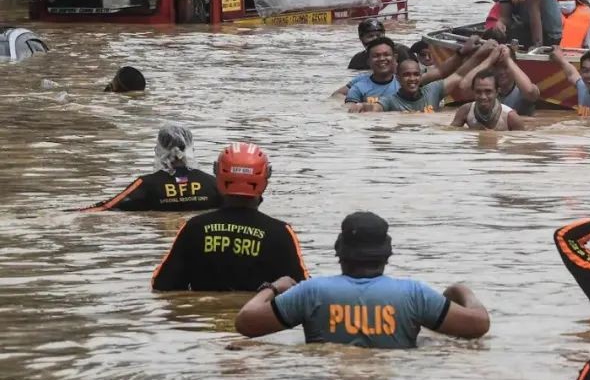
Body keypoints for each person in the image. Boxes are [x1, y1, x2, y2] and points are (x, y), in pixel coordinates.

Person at [234, 211, 490, 347]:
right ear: (387, 254)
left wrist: (273, 288)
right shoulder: (415, 294)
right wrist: (461, 289)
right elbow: (479, 325)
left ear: (339, 250)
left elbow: (245, 323)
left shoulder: (311, 292)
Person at [151, 142, 310, 291]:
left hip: (204, 317)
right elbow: (305, 291)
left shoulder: (194, 228)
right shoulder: (280, 233)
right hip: (256, 319)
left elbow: (161, 285)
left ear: (219, 177)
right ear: (264, 179)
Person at [83, 123, 221, 212]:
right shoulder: (212, 183)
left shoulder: (146, 184)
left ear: (160, 148)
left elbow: (106, 207)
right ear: (190, 147)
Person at [350, 40, 493, 113]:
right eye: (406, 75)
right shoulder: (390, 101)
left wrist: (481, 54)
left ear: (421, 76)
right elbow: (375, 108)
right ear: (398, 79)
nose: (412, 79)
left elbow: (458, 74)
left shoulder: (433, 90)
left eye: (415, 75)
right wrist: (361, 106)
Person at [451, 68, 525, 131]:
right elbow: (450, 134)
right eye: (478, 92)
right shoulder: (465, 111)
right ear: (473, 92)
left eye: (488, 91)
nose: (483, 97)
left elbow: (520, 146)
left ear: (497, 92)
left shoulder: (511, 117)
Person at [340, 37, 401, 103]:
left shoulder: (404, 84)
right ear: (368, 61)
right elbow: (348, 107)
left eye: (386, 55)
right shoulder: (359, 87)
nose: (382, 59)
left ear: (395, 58)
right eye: (376, 56)